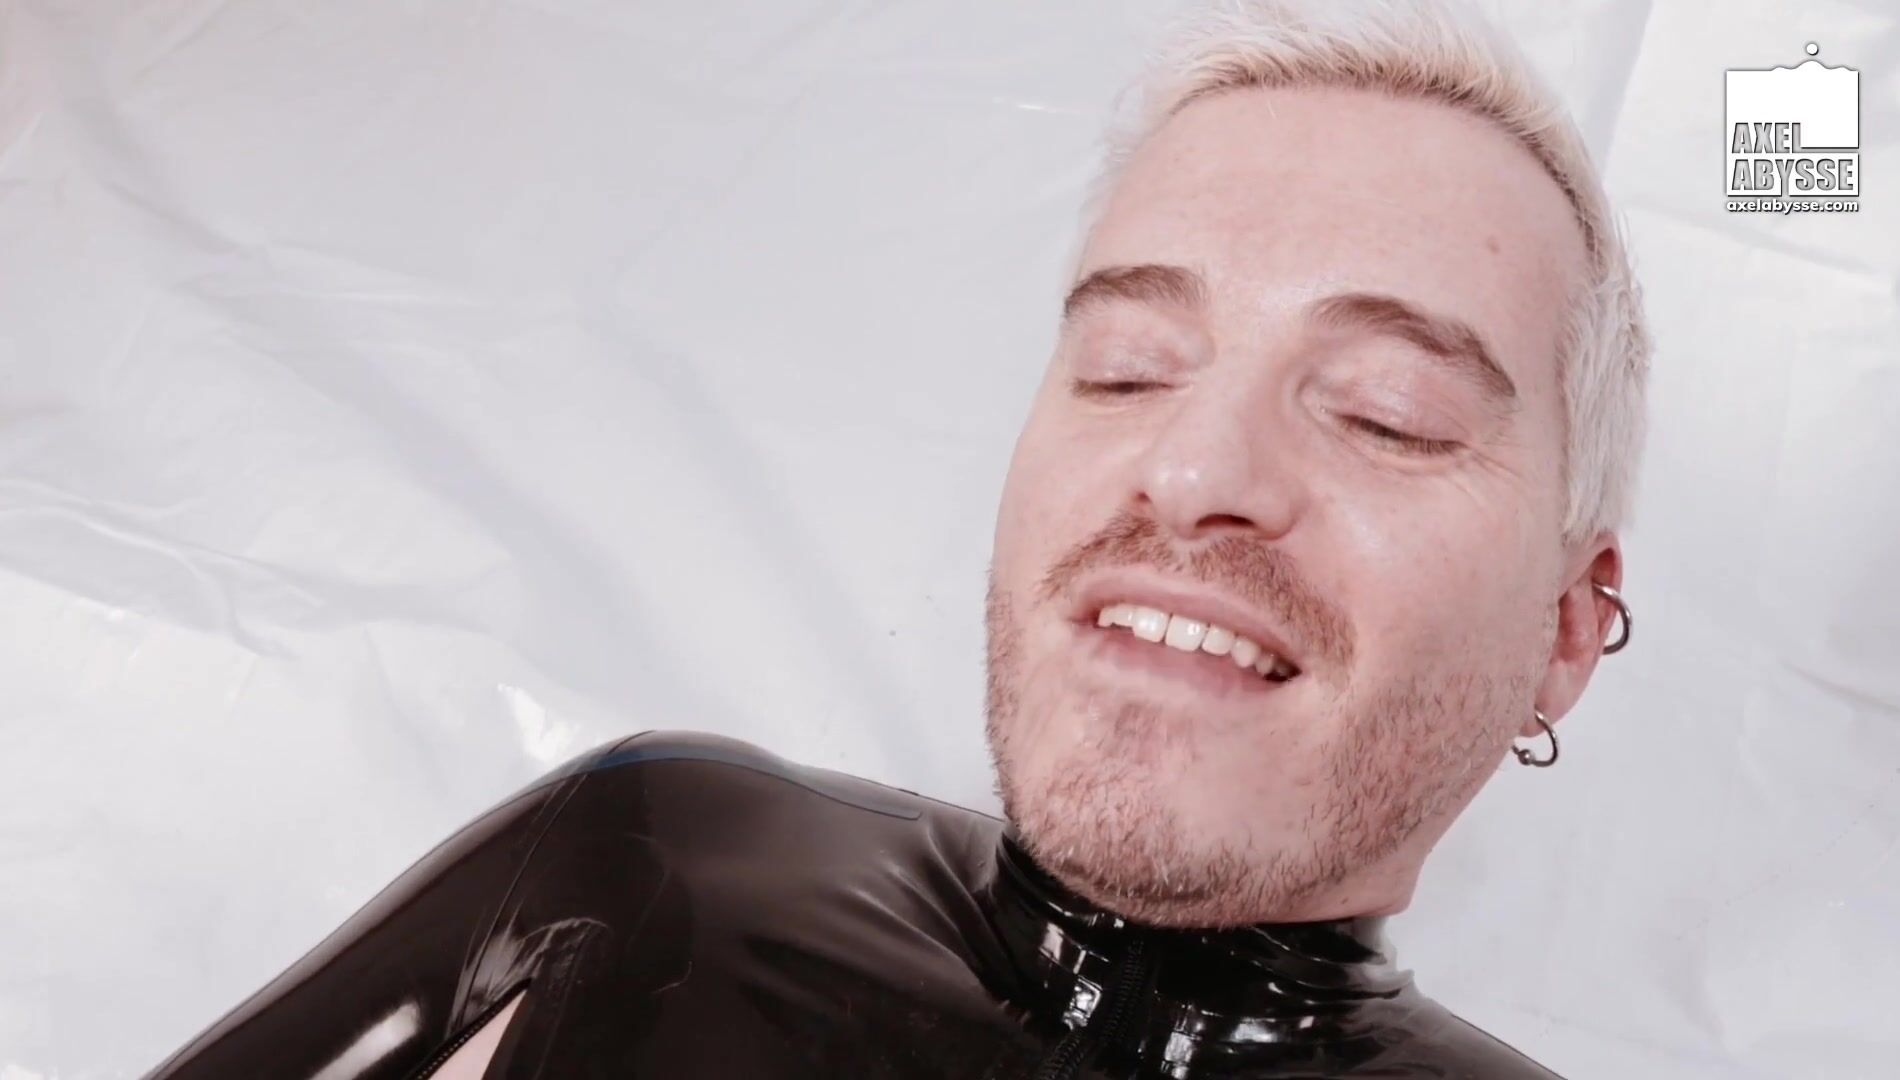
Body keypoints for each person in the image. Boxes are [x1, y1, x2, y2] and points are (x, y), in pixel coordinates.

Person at [147, 0, 1648, 1076]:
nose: (1194, 470)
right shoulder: (654, 866)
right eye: (1127, 367)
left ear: (1568, 632)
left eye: (1388, 415)